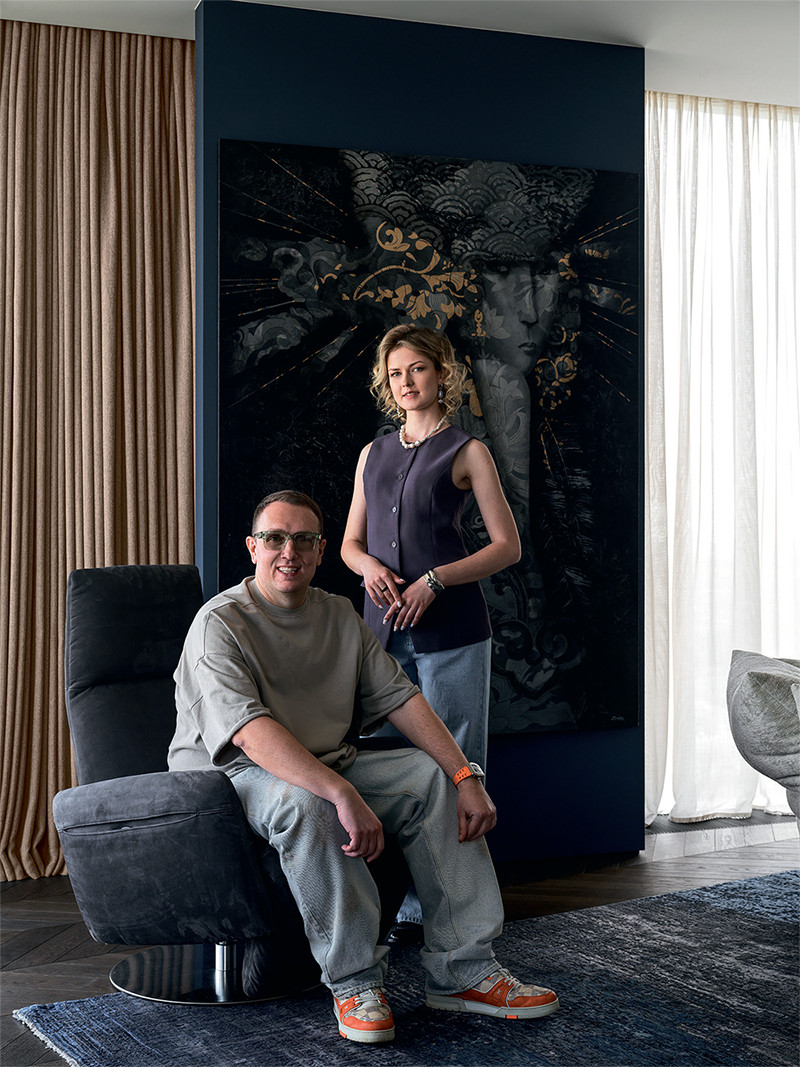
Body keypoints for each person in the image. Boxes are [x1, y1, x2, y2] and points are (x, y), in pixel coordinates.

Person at [168, 490, 558, 1045]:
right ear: (253, 547)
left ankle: (465, 972)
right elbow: (249, 733)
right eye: (275, 538)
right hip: (229, 778)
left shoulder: (338, 614)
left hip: (326, 762)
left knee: (431, 779)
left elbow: (402, 699)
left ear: (321, 550)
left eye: (303, 539)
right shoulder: (220, 622)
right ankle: (355, 983)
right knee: (311, 803)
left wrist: (464, 775)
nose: (289, 552)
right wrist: (341, 793)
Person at [341, 325, 521, 940]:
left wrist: (435, 580)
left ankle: (447, 912)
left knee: (456, 770)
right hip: (382, 637)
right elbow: (350, 544)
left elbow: (506, 547)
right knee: (386, 769)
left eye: (417, 369)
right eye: (395, 373)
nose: (406, 382)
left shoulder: (467, 451)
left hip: (453, 635)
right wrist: (369, 569)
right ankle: (390, 902)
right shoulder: (373, 453)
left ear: (442, 374)